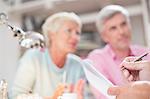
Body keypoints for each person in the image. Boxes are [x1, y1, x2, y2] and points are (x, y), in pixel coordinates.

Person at [10, 12, 92, 99]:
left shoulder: (78, 64)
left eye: (78, 33)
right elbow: (16, 96)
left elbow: (85, 96)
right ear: (51, 34)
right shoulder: (33, 57)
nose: (75, 37)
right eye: (69, 31)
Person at [87, 5, 150, 98]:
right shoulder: (97, 59)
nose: (121, 32)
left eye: (123, 24)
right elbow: (106, 95)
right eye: (113, 28)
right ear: (104, 36)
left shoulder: (146, 52)